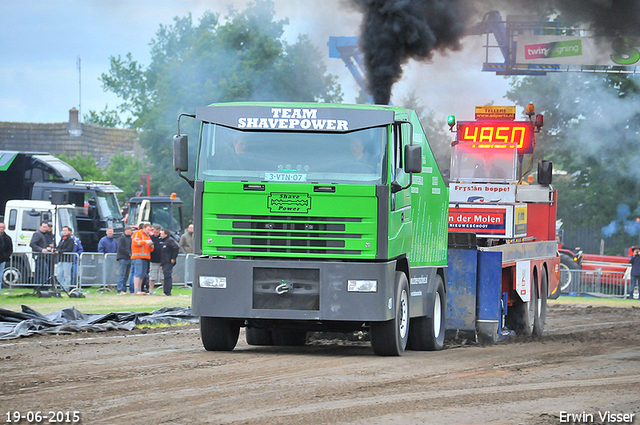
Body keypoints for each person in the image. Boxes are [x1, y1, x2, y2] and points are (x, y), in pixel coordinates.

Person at [131, 222, 154, 295]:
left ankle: (139, 289)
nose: (149, 231)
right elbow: (135, 242)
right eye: (147, 229)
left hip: (146, 257)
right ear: (144, 228)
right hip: (138, 256)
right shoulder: (138, 233)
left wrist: (151, 246)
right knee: (137, 273)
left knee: (142, 274)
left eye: (150, 230)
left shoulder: (148, 236)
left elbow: (150, 249)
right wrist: (145, 242)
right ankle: (136, 289)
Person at [30, 221, 54, 288]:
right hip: (39, 255)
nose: (45, 228)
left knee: (39, 271)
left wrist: (48, 247)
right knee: (44, 270)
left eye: (46, 227)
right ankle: (42, 287)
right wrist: (41, 249)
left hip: (43, 256)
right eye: (44, 227)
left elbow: (43, 244)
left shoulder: (44, 234)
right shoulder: (37, 234)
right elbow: (32, 244)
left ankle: (38, 286)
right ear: (40, 226)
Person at [160, 228, 179, 296]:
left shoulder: (170, 241)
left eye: (162, 234)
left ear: (166, 234)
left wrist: (173, 258)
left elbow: (176, 248)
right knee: (165, 276)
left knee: (167, 276)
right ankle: (166, 291)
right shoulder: (162, 241)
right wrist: (161, 264)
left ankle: (167, 291)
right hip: (164, 261)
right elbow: (162, 253)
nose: (161, 235)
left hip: (168, 261)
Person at [55, 226, 75, 291]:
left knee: (66, 275)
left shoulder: (71, 240)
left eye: (66, 230)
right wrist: (55, 250)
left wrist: (59, 251)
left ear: (69, 231)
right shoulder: (62, 239)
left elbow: (69, 249)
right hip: (61, 259)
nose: (64, 232)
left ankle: (66, 288)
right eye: (63, 230)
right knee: (59, 275)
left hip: (67, 260)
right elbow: (58, 247)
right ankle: (63, 286)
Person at [116, 226, 134, 295]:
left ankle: (124, 289)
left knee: (126, 275)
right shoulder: (121, 238)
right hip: (123, 258)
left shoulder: (130, 238)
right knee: (122, 274)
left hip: (129, 258)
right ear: (126, 230)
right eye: (130, 230)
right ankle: (119, 289)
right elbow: (120, 248)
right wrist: (129, 253)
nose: (131, 232)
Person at [148, 224, 163, 295]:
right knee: (152, 275)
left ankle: (164, 290)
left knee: (163, 276)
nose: (156, 234)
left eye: (157, 232)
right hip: (153, 259)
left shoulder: (163, 238)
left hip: (162, 260)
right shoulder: (150, 238)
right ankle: (151, 290)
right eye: (155, 232)